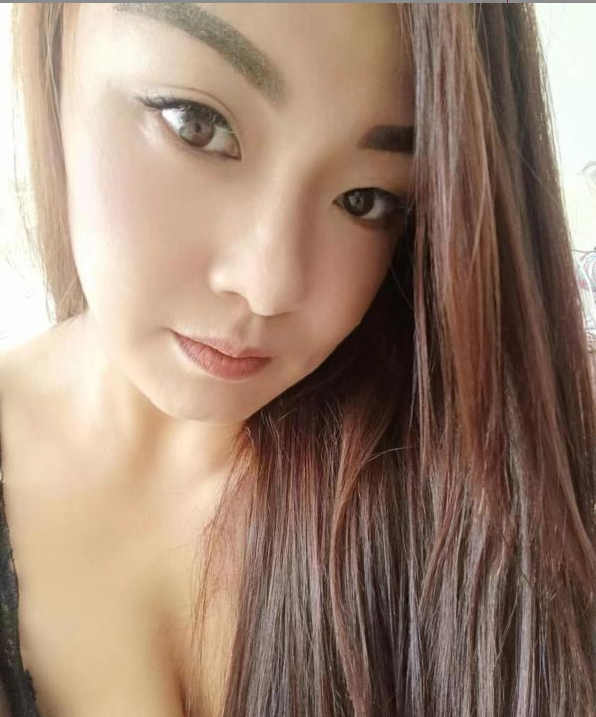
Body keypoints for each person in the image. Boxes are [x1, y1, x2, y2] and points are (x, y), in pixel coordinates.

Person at [0, 3, 594, 716]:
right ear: (56, 34)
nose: (268, 285)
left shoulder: (513, 478)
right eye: (196, 124)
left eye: (366, 200)